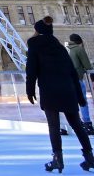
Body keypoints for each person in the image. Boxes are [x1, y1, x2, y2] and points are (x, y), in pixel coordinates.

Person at [26, 19, 94, 172]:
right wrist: (80, 97)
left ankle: (58, 160)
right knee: (77, 124)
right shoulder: (60, 48)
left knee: (54, 126)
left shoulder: (34, 46)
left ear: (37, 31)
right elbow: (72, 72)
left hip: (50, 90)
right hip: (67, 90)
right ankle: (90, 157)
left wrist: (29, 90)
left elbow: (31, 71)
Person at [68, 34, 94, 135]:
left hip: (69, 80)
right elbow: (87, 66)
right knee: (83, 101)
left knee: (74, 102)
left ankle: (78, 123)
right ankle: (87, 124)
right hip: (78, 79)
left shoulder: (69, 50)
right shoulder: (79, 50)